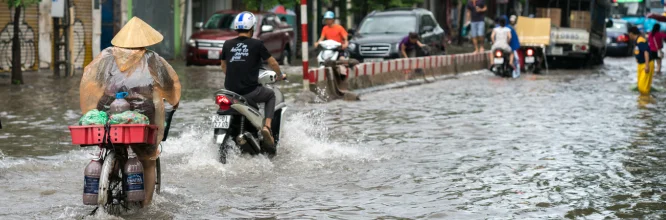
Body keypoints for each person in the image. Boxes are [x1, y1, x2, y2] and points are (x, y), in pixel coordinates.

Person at [80, 17, 181, 207]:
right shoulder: (153, 60)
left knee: (112, 144)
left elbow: (93, 84)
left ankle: (111, 173)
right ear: (145, 41)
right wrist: (173, 102)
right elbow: (169, 87)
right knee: (148, 159)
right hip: (142, 116)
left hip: (108, 113)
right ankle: (145, 206)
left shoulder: (106, 57)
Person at [220, 11, 286, 145]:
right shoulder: (257, 44)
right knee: (270, 95)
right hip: (249, 91)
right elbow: (272, 62)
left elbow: (223, 66)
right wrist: (280, 75)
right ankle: (267, 127)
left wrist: (234, 76)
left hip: (231, 92)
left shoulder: (227, 44)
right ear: (252, 27)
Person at [629, 26, 655, 96]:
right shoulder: (636, 41)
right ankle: (644, 102)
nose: (629, 36)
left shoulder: (640, 40)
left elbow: (646, 52)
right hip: (640, 64)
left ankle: (645, 103)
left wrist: (647, 66)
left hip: (646, 64)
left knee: (643, 88)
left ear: (631, 33)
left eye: (629, 34)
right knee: (640, 86)